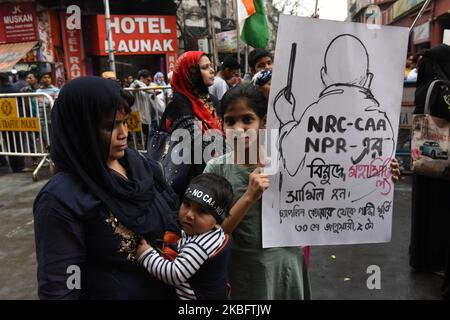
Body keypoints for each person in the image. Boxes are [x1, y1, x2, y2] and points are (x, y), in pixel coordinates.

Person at [33, 76, 180, 299]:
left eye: (124, 122)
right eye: (110, 126)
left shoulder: (138, 164)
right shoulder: (61, 199)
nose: (123, 133)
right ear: (80, 130)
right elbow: (61, 284)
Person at [203, 84, 311, 299]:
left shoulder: (290, 163)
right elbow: (212, 234)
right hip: (243, 272)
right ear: (222, 124)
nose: (239, 128)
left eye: (247, 119)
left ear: (263, 121)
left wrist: (378, 175)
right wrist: (248, 197)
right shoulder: (216, 169)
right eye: (230, 121)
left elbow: (331, 188)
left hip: (285, 266)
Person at [136, 173, 234, 300]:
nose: (189, 215)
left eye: (202, 211)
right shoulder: (212, 232)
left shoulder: (199, 246)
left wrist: (146, 255)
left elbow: (174, 275)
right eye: (187, 204)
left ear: (217, 220)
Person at [159, 51, 222, 200]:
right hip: (192, 176)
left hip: (214, 168)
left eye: (210, 66)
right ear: (191, 74)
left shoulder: (211, 99)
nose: (212, 70)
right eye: (205, 67)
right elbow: (194, 140)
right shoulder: (179, 103)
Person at [0, 72, 26, 172]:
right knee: (19, 143)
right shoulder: (16, 90)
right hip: (17, 121)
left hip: (4, 122)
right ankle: (20, 166)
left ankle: (13, 166)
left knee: (9, 144)